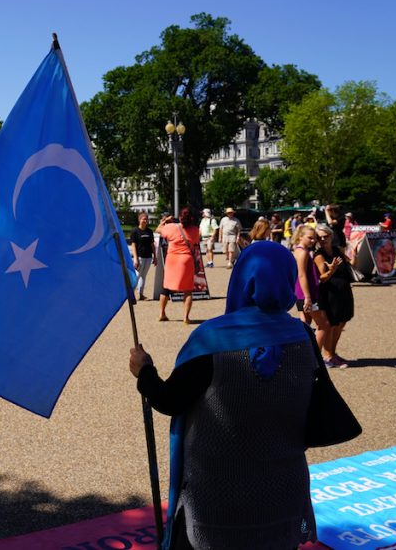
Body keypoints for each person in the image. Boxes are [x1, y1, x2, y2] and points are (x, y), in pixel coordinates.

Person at [129, 241, 318, 550]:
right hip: (283, 487)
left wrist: (145, 371)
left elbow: (170, 400)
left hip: (218, 491)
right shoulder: (304, 336)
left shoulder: (213, 338)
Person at [315, 225, 354, 368]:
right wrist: (331, 270)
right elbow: (322, 277)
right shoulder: (319, 255)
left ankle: (332, 352)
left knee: (342, 322)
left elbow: (350, 263)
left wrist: (354, 253)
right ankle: (328, 356)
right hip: (330, 292)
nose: (323, 239)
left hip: (343, 289)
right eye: (319, 237)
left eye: (325, 236)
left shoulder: (337, 250)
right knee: (332, 324)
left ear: (331, 236)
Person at [292, 225, 332, 365]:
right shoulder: (302, 252)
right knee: (323, 325)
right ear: (300, 236)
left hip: (300, 293)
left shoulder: (297, 251)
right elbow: (302, 275)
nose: (313, 241)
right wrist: (308, 297)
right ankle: (314, 359)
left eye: (314, 238)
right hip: (307, 294)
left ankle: (302, 357)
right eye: (310, 238)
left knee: (305, 325)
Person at [157, 207, 199, 324]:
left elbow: (158, 229)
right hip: (186, 260)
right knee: (188, 290)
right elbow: (195, 242)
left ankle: (162, 313)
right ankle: (186, 317)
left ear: (180, 217)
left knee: (166, 288)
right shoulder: (195, 230)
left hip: (172, 259)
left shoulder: (171, 227)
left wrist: (165, 220)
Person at [129, 212, 155, 301]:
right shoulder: (135, 231)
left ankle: (141, 294)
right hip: (139, 257)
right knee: (136, 276)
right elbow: (133, 245)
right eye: (143, 219)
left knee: (143, 276)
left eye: (146, 219)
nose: (145, 221)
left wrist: (155, 256)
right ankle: (130, 294)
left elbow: (152, 245)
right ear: (139, 220)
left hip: (148, 257)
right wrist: (135, 258)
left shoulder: (149, 231)